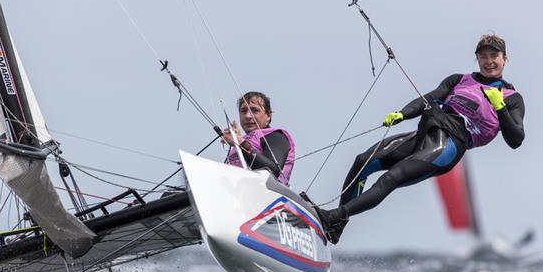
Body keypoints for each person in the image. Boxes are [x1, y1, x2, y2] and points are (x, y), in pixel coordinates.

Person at [318, 33, 525, 244]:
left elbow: (516, 139)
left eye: (494, 55)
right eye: (483, 56)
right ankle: (336, 226)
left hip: (449, 145)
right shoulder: (459, 80)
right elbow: (430, 97)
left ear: (504, 58)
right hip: (427, 131)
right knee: (363, 161)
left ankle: (334, 216)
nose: (489, 61)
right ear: (477, 59)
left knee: (390, 178)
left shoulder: (512, 98)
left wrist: (500, 107)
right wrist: (403, 113)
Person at [222, 91, 295, 185]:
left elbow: (271, 171)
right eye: (244, 111)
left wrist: (240, 142)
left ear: (268, 115)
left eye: (254, 110)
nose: (248, 116)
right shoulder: (240, 142)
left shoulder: (275, 135)